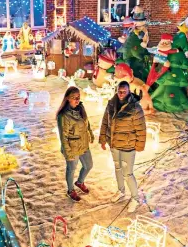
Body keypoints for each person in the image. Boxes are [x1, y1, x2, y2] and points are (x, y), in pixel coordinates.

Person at [99, 81, 146, 213]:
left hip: (127, 146)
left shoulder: (135, 108)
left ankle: (135, 198)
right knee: (118, 169)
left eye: (124, 92)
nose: (121, 94)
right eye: (119, 91)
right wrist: (103, 138)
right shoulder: (111, 104)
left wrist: (139, 146)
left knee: (128, 173)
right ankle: (121, 191)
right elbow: (105, 122)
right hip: (114, 144)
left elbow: (141, 129)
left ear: (129, 91)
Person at [57, 87, 94, 202]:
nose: (77, 100)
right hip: (72, 147)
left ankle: (79, 182)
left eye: (78, 97)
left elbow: (87, 123)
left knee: (88, 165)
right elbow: (63, 136)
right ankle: (70, 190)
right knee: (71, 169)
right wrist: (68, 153)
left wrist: (90, 134)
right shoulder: (63, 116)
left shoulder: (81, 108)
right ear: (68, 98)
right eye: (74, 98)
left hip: (83, 144)